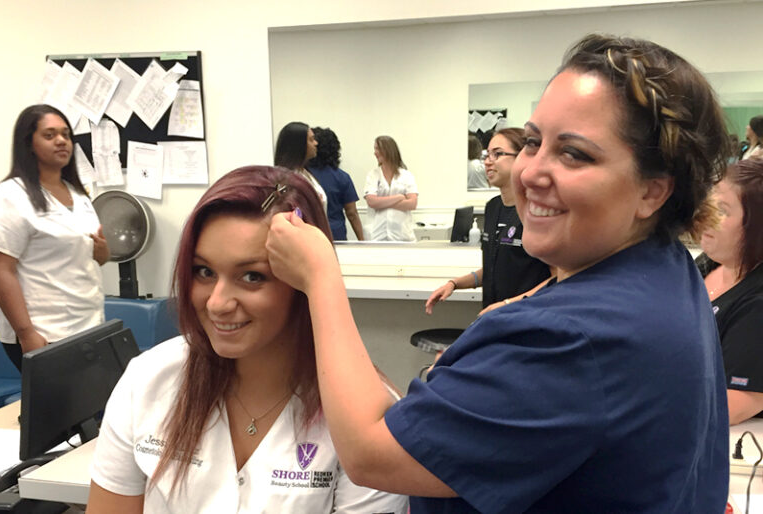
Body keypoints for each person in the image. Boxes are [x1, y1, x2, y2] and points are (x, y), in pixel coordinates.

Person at [267, 33, 731, 512]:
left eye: (574, 153)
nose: (529, 172)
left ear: (653, 192)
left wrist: (321, 278)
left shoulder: (574, 338)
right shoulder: (666, 270)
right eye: (533, 141)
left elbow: (370, 453)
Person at [86, 166, 407, 513]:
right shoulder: (147, 381)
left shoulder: (365, 418)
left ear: (300, 284)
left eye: (252, 276)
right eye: (204, 272)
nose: (217, 303)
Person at [0, 104, 109, 372]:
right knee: (55, 412)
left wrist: (102, 251)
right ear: (29, 144)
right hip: (44, 333)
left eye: (66, 135)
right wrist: (26, 334)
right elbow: (1, 270)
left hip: (86, 325)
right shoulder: (10, 196)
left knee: (85, 411)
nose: (61, 141)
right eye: (49, 135)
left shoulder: (78, 195)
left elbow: (95, 257)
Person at [426, 128, 551, 315]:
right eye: (487, 154)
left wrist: (508, 304)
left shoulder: (539, 210)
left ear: (522, 158)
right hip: (495, 320)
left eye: (498, 154)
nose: (487, 162)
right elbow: (496, 268)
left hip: (528, 321)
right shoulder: (493, 207)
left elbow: (558, 278)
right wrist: (454, 283)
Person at [697, 159, 763, 425]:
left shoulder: (757, 303)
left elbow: (733, 403)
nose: (705, 215)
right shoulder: (708, 263)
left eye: (722, 210)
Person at [307, 127, 364, 240]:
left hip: (310, 233)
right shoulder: (342, 177)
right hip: (336, 234)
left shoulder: (302, 175)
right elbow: (352, 213)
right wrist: (362, 240)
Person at [363, 135, 418, 241]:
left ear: (388, 150)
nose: (375, 153)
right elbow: (372, 202)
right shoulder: (373, 175)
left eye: (378, 149)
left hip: (402, 236)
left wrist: (382, 203)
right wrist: (399, 197)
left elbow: (412, 203)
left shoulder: (407, 176)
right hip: (377, 235)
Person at [274, 121, 328, 215]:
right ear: (298, 145)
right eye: (311, 140)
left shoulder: (304, 172)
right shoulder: (288, 179)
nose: (316, 143)